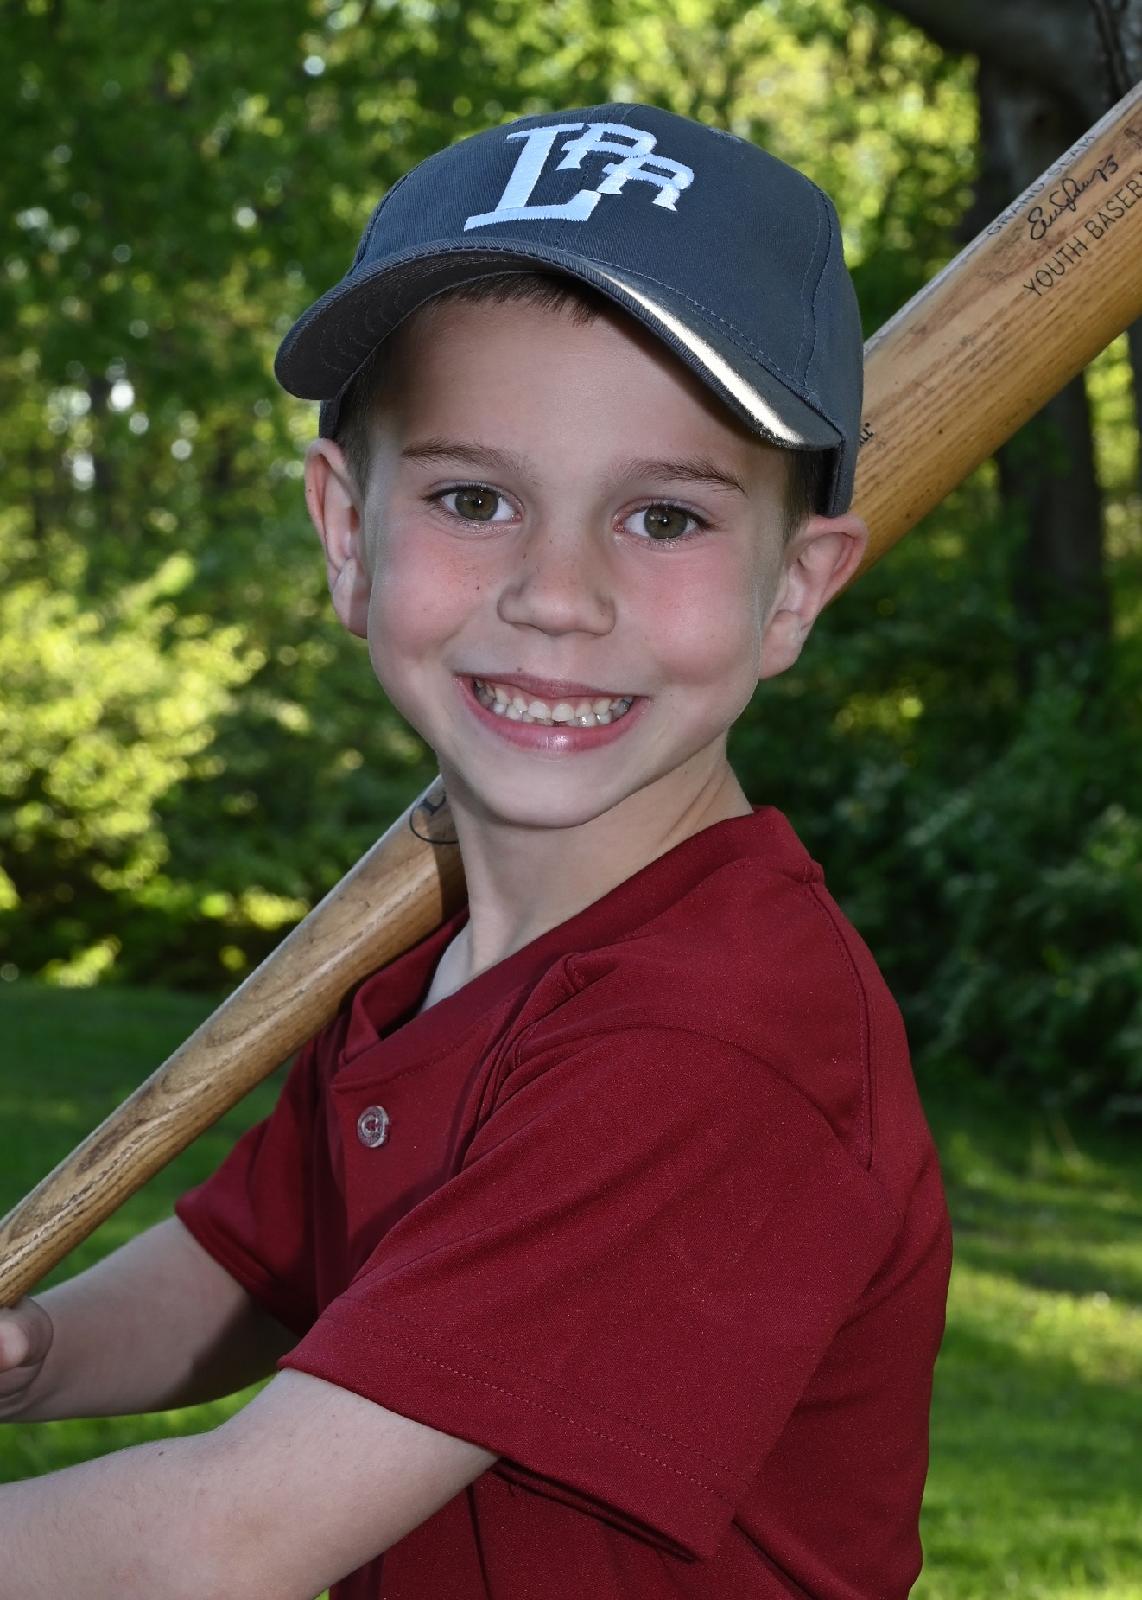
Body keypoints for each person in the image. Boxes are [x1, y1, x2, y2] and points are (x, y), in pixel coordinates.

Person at [0, 104, 951, 1599]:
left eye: (663, 517)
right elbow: (260, 1268)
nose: (556, 593)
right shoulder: (423, 962)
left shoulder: (714, 1039)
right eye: (471, 499)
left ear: (794, 591)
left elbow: (226, 1539)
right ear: (346, 533)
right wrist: (40, 1351)